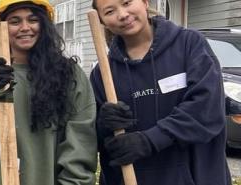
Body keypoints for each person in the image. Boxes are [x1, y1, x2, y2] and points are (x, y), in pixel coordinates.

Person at [0, 0, 99, 184]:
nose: (25, 27)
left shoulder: (70, 74)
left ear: (44, 24)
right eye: (15, 21)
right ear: (1, 27)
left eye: (33, 20)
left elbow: (80, 142)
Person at [91, 0, 230, 184]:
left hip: (196, 176)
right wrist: (102, 124)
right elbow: (93, 139)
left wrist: (150, 140)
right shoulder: (103, 73)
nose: (122, 14)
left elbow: (207, 109)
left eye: (127, 2)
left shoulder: (189, 45)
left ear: (144, 2)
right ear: (101, 20)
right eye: (109, 11)